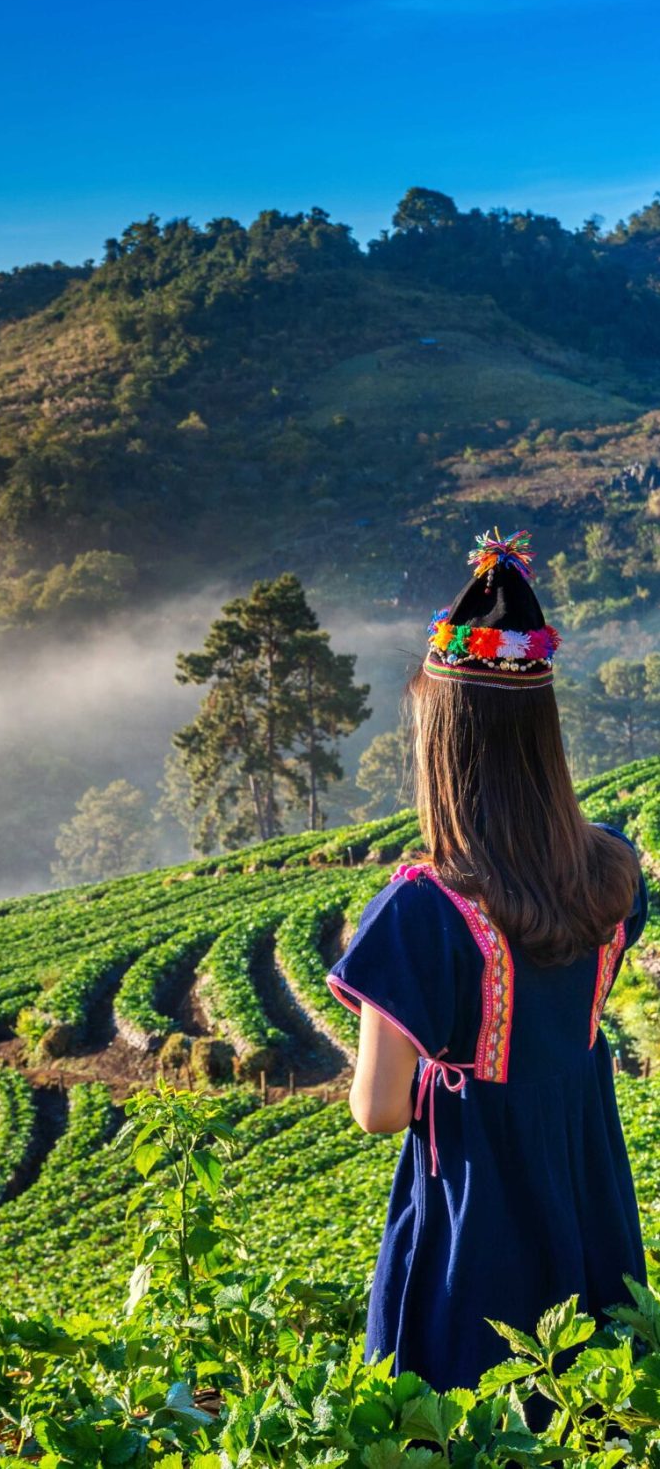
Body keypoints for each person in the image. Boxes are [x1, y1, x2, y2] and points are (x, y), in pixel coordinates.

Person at [326, 528, 651, 1429]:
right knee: (594, 1409)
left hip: (477, 1222)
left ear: (443, 746)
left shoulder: (421, 909)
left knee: (470, 1419)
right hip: (587, 1193)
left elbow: (379, 1110)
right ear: (543, 738)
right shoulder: (613, 873)